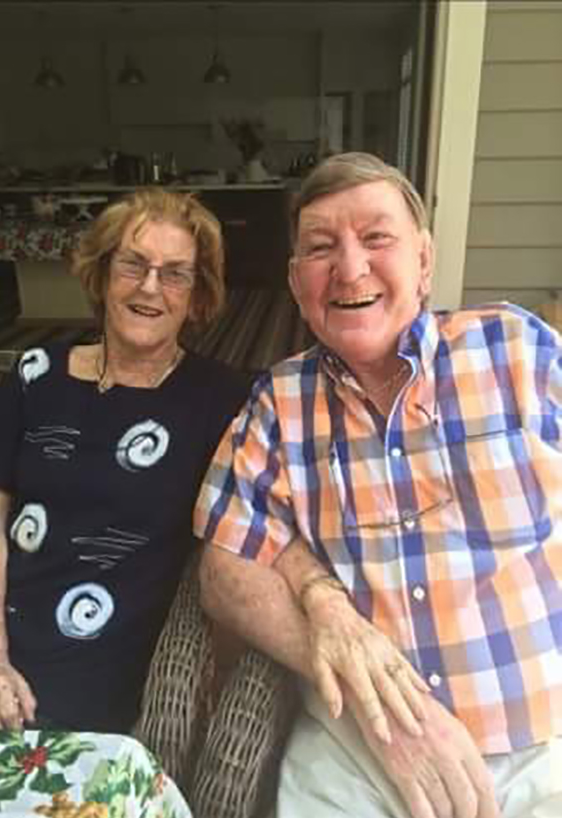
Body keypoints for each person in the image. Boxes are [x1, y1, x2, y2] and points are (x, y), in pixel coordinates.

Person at [194, 152, 562, 818]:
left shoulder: (515, 350)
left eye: (377, 238)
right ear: (297, 284)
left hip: (543, 742)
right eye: (321, 248)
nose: (351, 267)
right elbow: (224, 566)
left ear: (424, 261)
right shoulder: (278, 402)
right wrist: (328, 612)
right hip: (357, 750)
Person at [0, 187, 249, 733]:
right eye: (134, 264)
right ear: (103, 273)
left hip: (91, 654)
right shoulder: (36, 373)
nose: (150, 287)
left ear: (197, 295)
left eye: (176, 273)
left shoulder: (220, 400)